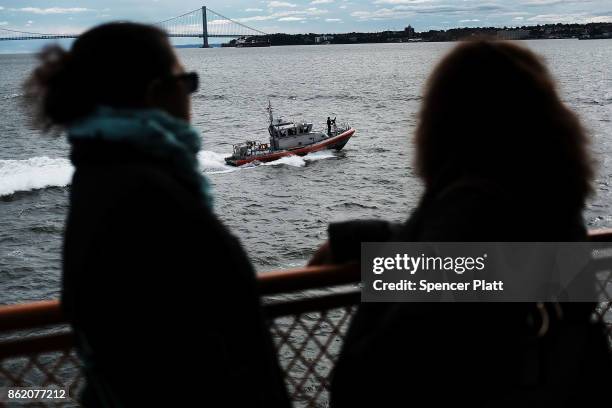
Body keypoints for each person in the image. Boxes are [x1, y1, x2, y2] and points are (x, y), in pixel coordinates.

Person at [309, 40, 612, 407]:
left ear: (444, 123)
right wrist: (370, 239)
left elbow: (369, 377)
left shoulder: (475, 201)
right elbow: (494, 268)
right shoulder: (552, 205)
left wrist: (383, 269)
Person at [24, 22, 290, 407]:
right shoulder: (153, 201)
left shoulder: (99, 177)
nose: (191, 94)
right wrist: (374, 265)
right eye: (189, 81)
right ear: (157, 93)